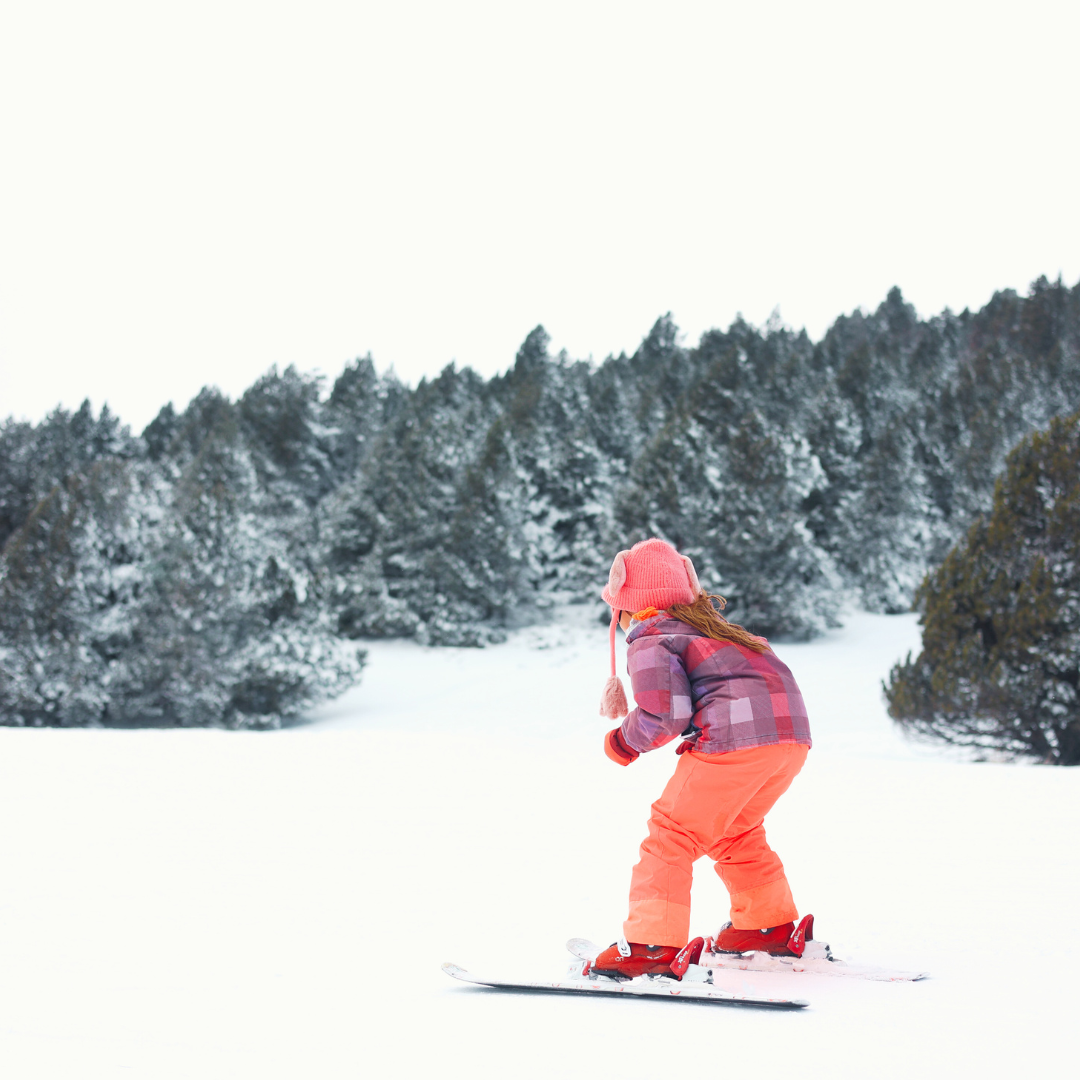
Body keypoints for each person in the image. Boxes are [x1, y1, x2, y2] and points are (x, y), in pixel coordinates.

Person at [589, 537, 814, 980]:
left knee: (671, 834)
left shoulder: (653, 636)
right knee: (735, 832)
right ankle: (766, 926)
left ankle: (650, 947)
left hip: (735, 744)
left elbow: (666, 715)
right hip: (790, 741)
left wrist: (624, 740)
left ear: (627, 603)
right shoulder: (718, 631)